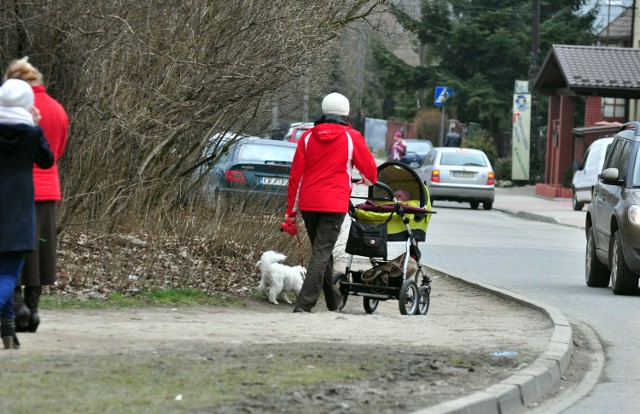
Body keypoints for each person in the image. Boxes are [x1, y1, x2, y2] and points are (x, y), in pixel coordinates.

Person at [285, 92, 378, 313]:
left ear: (325, 111)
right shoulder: (351, 137)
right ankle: (304, 304)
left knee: (321, 253)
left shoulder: (307, 137)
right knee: (321, 254)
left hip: (309, 203)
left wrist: (291, 211)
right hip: (334, 204)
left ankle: (333, 301)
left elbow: (295, 177)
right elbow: (371, 174)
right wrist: (364, 179)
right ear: (346, 113)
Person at [4, 57, 69, 333]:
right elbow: (57, 152)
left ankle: (16, 307)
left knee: (10, 250)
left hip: (10, 191)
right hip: (46, 187)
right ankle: (34, 309)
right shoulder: (57, 110)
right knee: (41, 251)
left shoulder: (5, 110)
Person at [0, 78, 54, 349]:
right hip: (19, 210)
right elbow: (47, 160)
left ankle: (8, 329)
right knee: (9, 272)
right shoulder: (31, 134)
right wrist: (35, 125)